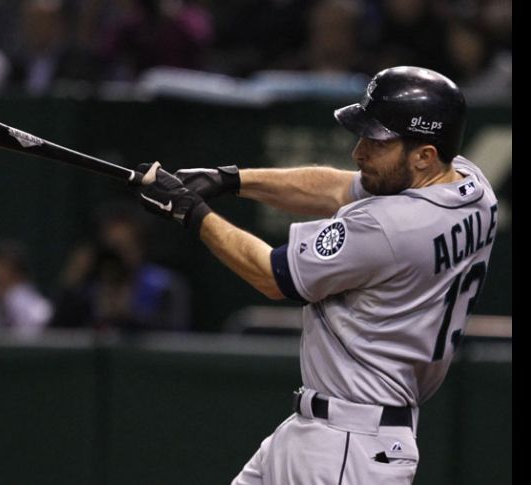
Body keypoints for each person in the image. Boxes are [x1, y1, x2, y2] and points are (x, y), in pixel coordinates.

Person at [133, 66, 498, 484]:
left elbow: (271, 275)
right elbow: (337, 189)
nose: (359, 152)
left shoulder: (392, 227)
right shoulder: (472, 186)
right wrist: (229, 180)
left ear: (424, 155)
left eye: (377, 142)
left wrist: (190, 213)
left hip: (348, 442)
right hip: (332, 431)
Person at [52, 207, 191, 332]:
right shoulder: (88, 290)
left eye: (124, 247)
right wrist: (70, 286)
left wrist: (128, 316)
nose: (117, 258)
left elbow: (175, 336)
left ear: (139, 249)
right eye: (110, 248)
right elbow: (54, 338)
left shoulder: (164, 287)